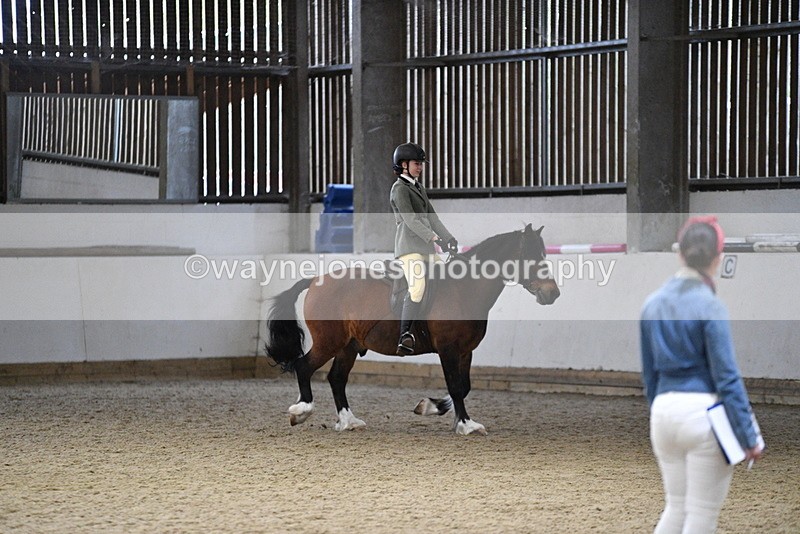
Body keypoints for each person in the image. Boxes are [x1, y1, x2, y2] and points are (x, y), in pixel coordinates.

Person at [640, 215, 764, 533]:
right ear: (717, 258)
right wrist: (749, 438)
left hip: (663, 415)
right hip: (702, 416)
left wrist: (660, 411)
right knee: (701, 516)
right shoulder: (711, 306)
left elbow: (650, 376)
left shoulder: (651, 305)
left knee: (675, 508)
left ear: (680, 254)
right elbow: (727, 378)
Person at [389, 142, 458, 355]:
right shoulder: (399, 189)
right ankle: (404, 335)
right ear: (403, 164)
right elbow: (410, 220)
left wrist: (449, 238)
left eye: (421, 164)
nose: (420, 167)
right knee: (418, 286)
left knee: (445, 278)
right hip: (409, 247)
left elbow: (432, 217)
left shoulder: (418, 187)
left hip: (426, 247)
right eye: (416, 163)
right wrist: (433, 237)